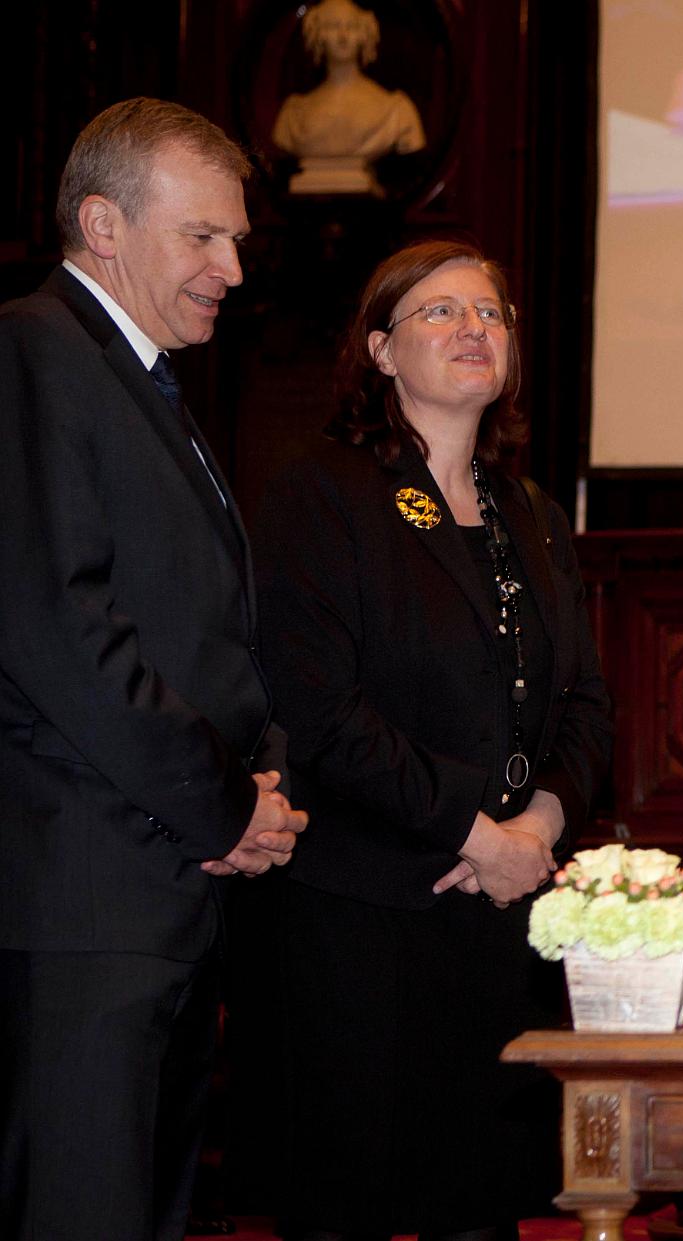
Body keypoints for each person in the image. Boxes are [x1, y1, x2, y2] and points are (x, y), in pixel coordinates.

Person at [251, 240, 613, 1240]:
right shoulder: (320, 491)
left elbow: (583, 697)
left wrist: (536, 823)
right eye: (440, 312)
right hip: (365, 914)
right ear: (377, 349)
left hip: (500, 914)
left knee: (483, 1204)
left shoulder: (530, 511)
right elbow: (322, 711)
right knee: (354, 1203)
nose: (474, 330)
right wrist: (471, 828)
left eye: (490, 313)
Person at [0, 98, 308, 1239]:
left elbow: (205, 629)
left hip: (156, 888)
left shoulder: (140, 376)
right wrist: (225, 804)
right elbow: (59, 633)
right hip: (87, 899)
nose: (231, 266)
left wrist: (259, 785)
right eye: (203, 237)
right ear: (104, 224)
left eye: (236, 239)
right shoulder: (36, 350)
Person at [273, 0, 427, 195]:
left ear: (365, 34)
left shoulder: (396, 109)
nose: (343, 36)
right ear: (317, 35)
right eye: (333, 27)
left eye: (352, 27)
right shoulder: (293, 113)